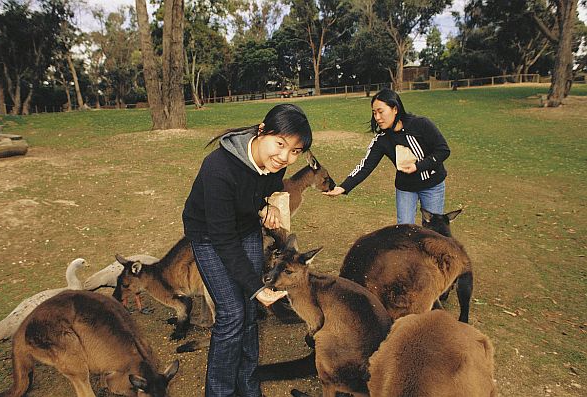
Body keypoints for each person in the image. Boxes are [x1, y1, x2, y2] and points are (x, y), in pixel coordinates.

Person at [182, 103, 313, 397]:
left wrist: (265, 207)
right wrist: (257, 286)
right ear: (262, 130)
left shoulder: (274, 166)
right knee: (231, 313)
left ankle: (249, 388)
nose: (284, 157)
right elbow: (223, 239)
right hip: (210, 235)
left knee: (249, 313)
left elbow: (264, 189)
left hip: (245, 228)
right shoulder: (218, 168)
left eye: (294, 151)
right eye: (280, 144)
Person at [324, 88, 450, 224]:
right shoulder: (382, 139)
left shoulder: (420, 124)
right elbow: (365, 166)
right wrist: (344, 187)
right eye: (374, 113)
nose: (377, 117)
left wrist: (418, 167)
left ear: (395, 109)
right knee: (404, 230)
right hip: (406, 187)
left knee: (433, 231)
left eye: (380, 112)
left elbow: (443, 150)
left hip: (433, 184)